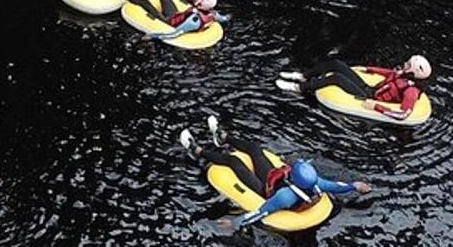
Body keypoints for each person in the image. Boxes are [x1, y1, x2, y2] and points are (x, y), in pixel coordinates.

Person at [180, 117, 370, 232]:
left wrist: (236, 222)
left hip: (266, 189)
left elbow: (260, 212)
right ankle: (223, 137)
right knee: (254, 148)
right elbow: (338, 186)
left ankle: (197, 151)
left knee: (234, 162)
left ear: (295, 178)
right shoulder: (316, 183)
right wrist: (356, 186)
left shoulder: (284, 197)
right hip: (276, 178)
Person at [275, 54, 431, 121]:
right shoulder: (403, 73)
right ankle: (303, 75)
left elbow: (403, 114)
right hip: (371, 89)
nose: (405, 64)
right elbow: (388, 73)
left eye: (409, 65)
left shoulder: (411, 91)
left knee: (337, 78)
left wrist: (376, 107)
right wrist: (367, 69)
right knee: (336, 64)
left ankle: (299, 87)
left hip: (370, 97)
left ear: (414, 72)